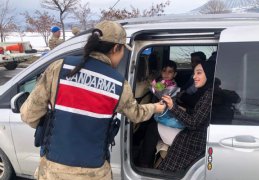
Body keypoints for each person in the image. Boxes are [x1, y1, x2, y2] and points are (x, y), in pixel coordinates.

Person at [20, 20, 165, 180]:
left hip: (53, 171)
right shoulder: (119, 84)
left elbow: (29, 115)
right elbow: (136, 114)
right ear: (116, 48)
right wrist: (155, 108)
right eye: (123, 50)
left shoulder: (59, 68)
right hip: (95, 172)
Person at [159, 60, 215, 172]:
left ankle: (145, 162)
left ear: (208, 74)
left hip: (196, 139)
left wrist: (172, 107)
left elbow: (193, 123)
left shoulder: (209, 95)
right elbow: (198, 111)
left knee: (152, 129)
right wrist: (184, 109)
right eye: (194, 73)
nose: (194, 77)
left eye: (199, 73)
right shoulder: (204, 90)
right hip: (194, 132)